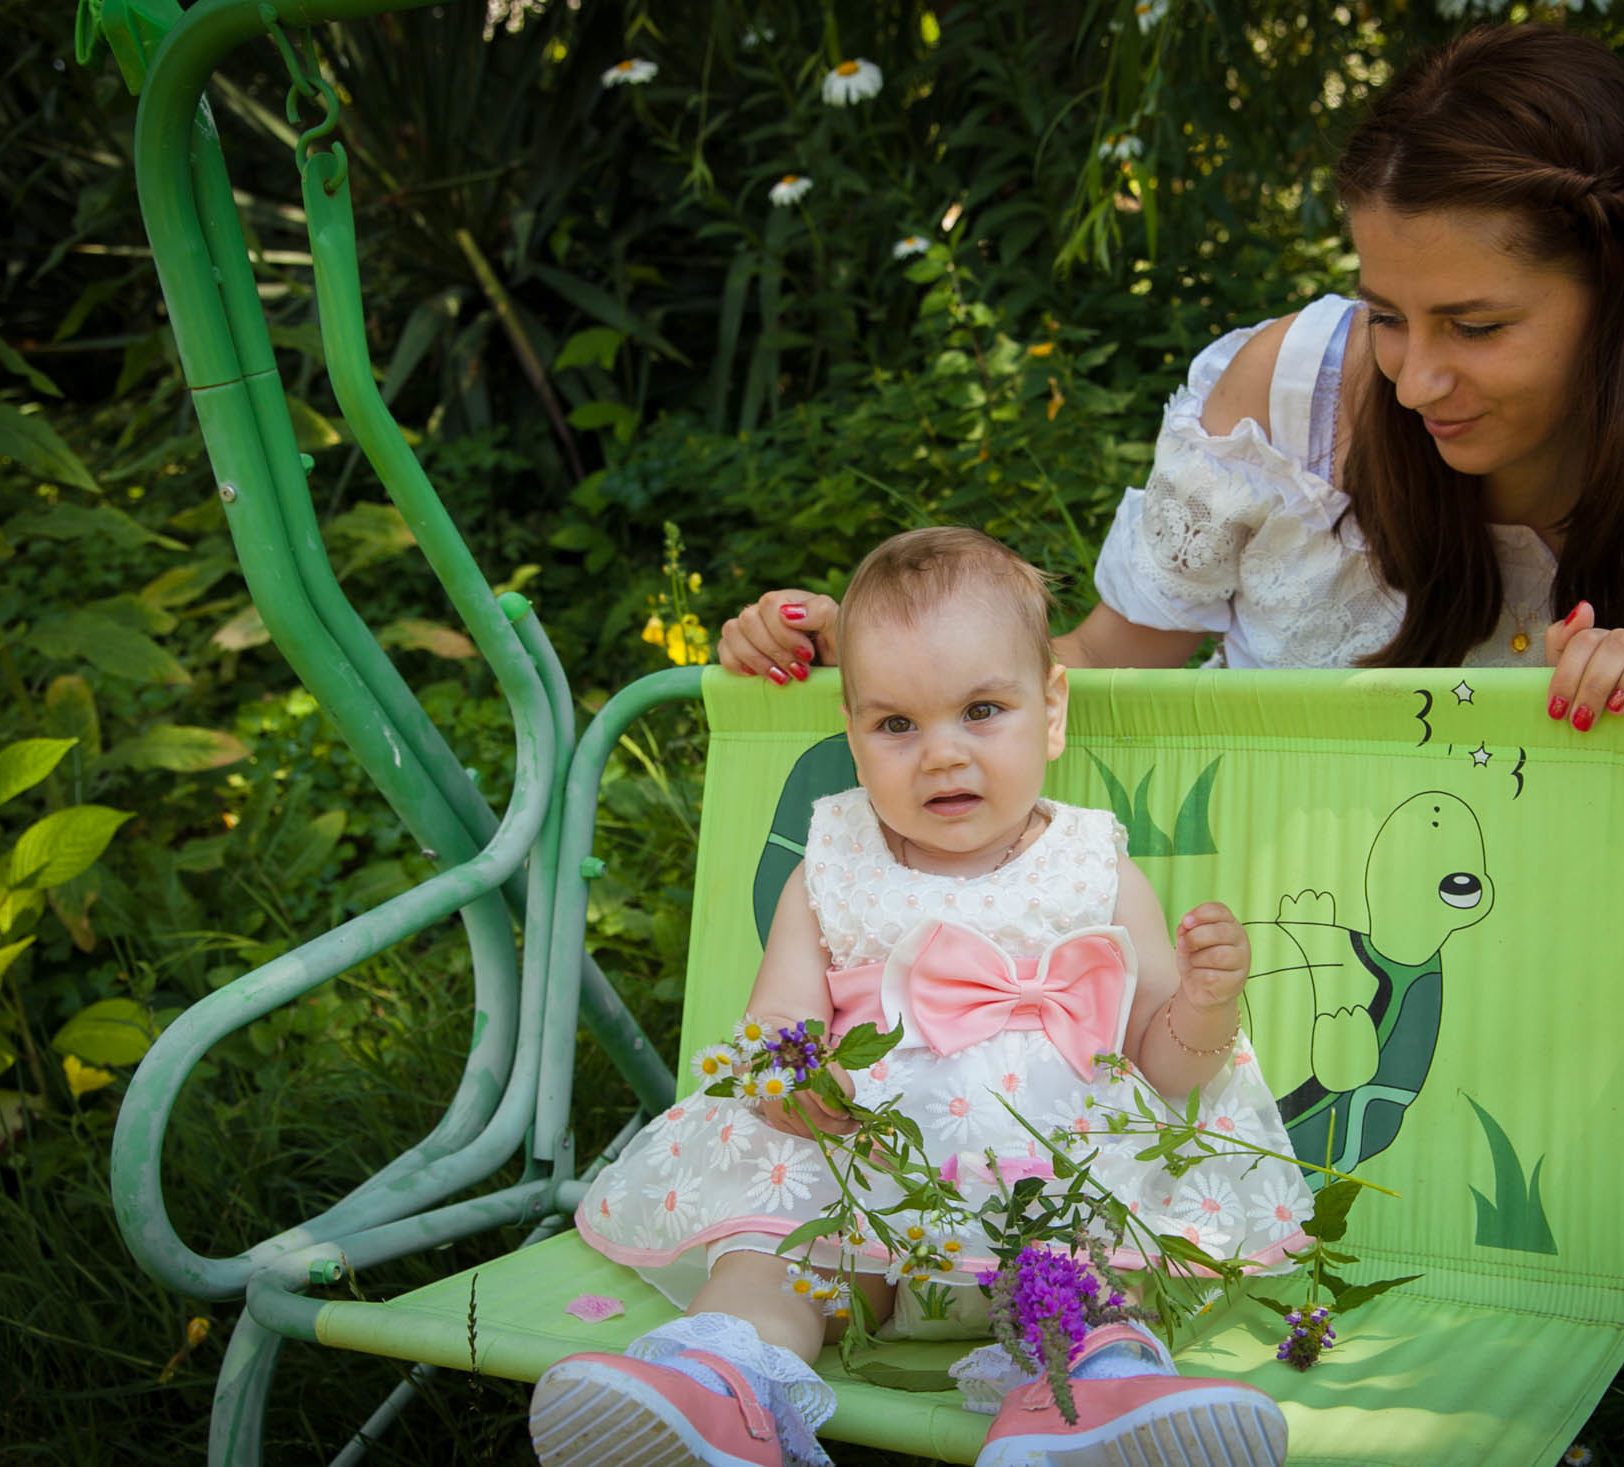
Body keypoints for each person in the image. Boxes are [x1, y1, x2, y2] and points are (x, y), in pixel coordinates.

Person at [717, 25, 1624, 958]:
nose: (1415, 381)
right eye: (1385, 314)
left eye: (1474, 325)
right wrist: (872, 663)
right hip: (1179, 958)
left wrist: (1620, 776)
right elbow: (1091, 673)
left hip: (1466, 1023)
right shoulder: (1290, 400)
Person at [533, 527, 1310, 1467]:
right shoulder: (830, 864)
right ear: (854, 732)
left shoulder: (1094, 865)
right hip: (861, 1197)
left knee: (1099, 1274)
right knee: (774, 1261)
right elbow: (774, 1026)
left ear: (1051, 712)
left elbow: (1163, 1065)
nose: (941, 754)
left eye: (982, 710)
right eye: (896, 724)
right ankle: (717, 1388)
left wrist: (1207, 1004)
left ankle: (1087, 1399)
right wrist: (792, 1085)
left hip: (1049, 1201)